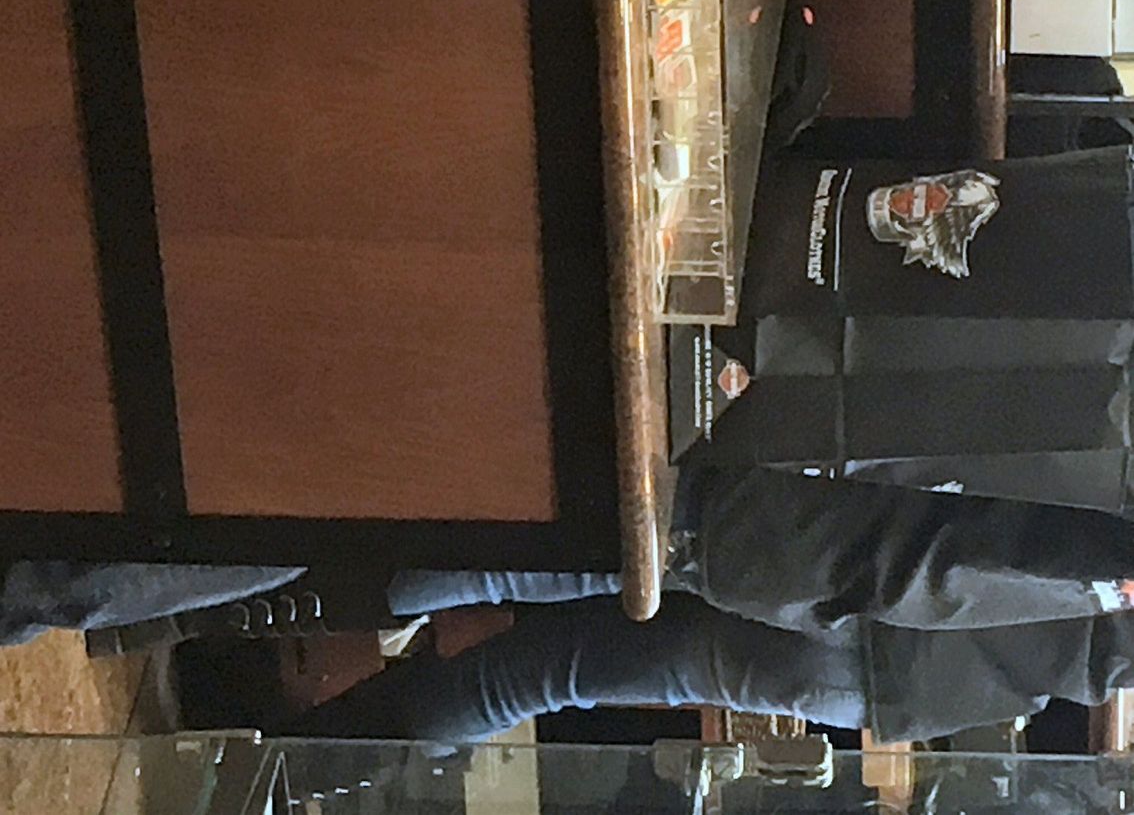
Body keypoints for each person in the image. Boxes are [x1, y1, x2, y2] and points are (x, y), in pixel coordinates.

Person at [248, 465, 1134, 746]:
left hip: (889, 545)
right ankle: (295, 752)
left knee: (567, 557)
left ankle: (256, 596)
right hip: (914, 675)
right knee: (546, 673)